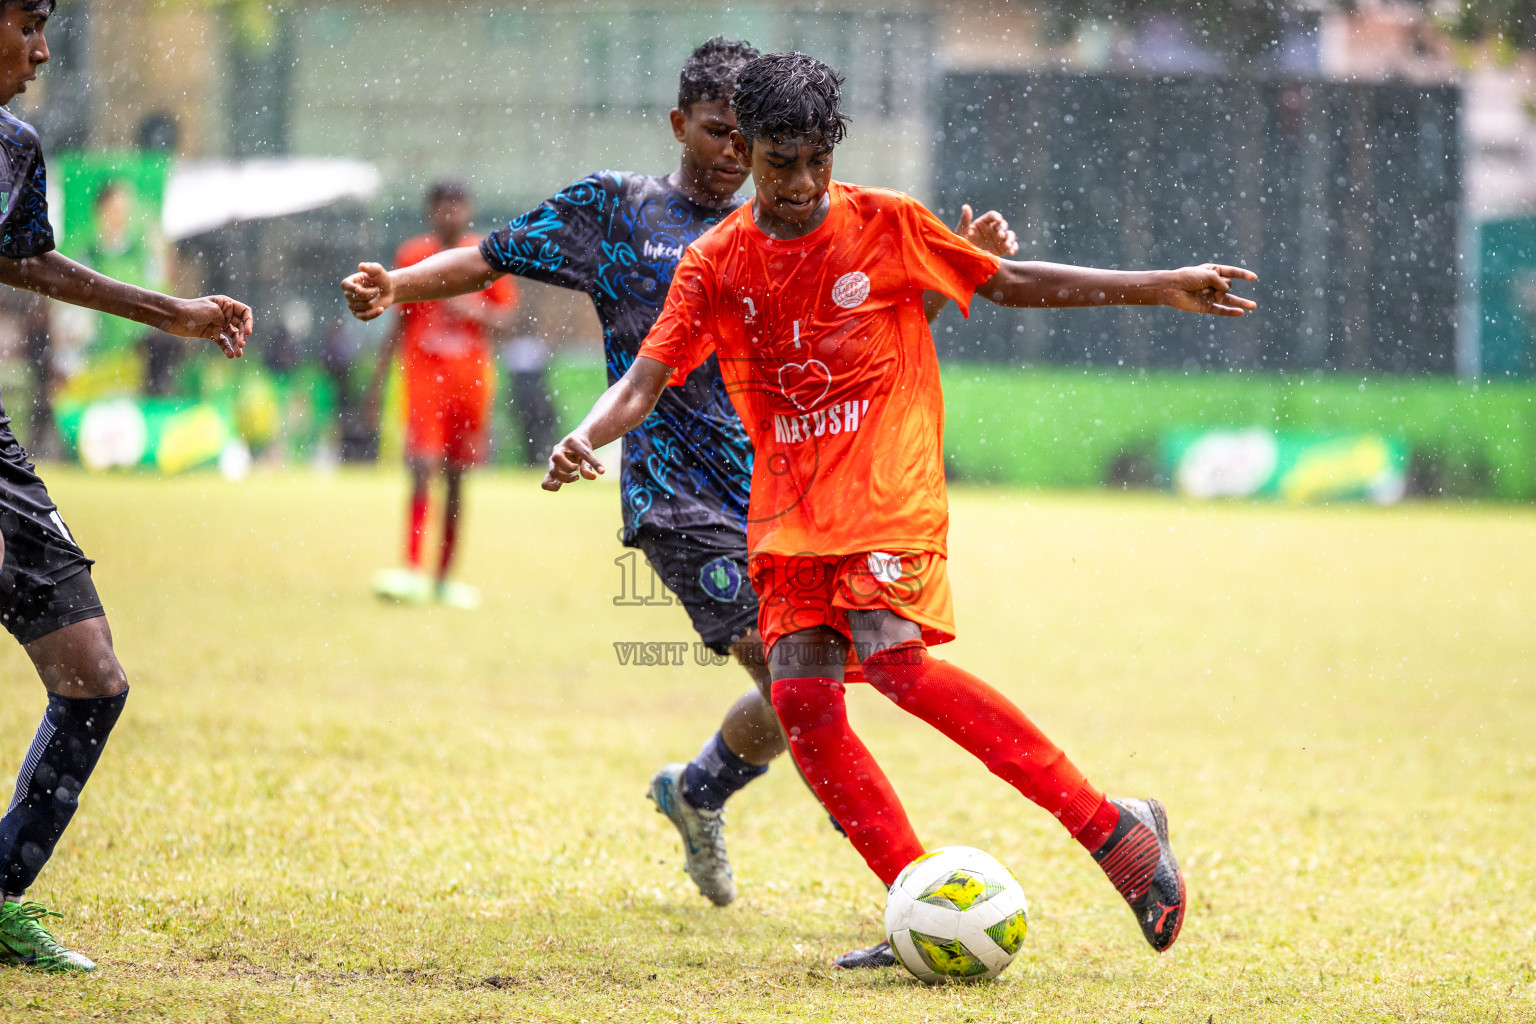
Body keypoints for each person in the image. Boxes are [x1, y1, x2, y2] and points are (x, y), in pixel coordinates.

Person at [541, 51, 1258, 966]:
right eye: (778, 163)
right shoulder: (715, 263)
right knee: (801, 699)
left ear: (832, 151)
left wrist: (1156, 284)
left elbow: (1005, 280)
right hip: (791, 507)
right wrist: (587, 435)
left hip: (887, 483)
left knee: (895, 664)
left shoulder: (885, 224)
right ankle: (917, 900)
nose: (800, 184)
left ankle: (1113, 830)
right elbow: (644, 378)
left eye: (816, 161)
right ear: (747, 152)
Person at [343, 37, 1016, 908]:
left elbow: (872, 326)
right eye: (719, 133)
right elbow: (491, 257)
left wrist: (949, 262)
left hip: (785, 496)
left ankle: (698, 791)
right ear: (678, 126)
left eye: (750, 138)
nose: (737, 154)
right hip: (674, 495)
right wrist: (397, 288)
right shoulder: (618, 213)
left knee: (804, 692)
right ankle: (908, 891)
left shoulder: (786, 229)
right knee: (796, 685)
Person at [0, 0, 253, 973]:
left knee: (91, 675)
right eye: (26, 22)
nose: (42, 47)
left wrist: (170, 311)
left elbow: (29, 261)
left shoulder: (16, 149)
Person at [366, 180, 518, 609]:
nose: (450, 213)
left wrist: (474, 309)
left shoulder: (488, 255)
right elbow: (397, 319)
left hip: (469, 384)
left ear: (468, 209)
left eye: (457, 204)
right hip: (423, 378)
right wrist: (377, 383)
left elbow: (508, 320)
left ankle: (445, 578)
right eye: (442, 205)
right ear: (430, 211)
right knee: (420, 465)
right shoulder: (412, 256)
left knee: (456, 477)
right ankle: (412, 570)